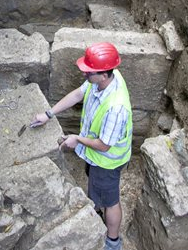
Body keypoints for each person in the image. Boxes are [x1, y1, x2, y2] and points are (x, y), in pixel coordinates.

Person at [31, 42, 132, 250]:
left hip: (106, 162)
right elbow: (78, 94)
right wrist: (48, 115)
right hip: (95, 158)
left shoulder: (115, 108)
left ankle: (113, 242)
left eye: (89, 72)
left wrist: (76, 139)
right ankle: (95, 208)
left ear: (103, 75)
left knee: (110, 201)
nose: (85, 75)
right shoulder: (103, 79)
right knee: (97, 190)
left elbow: (103, 146)